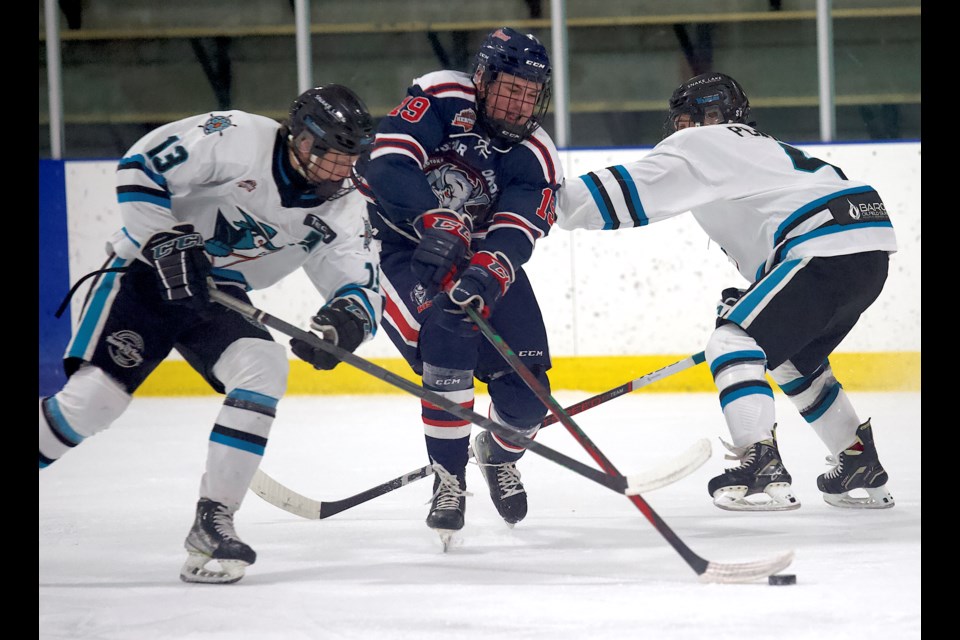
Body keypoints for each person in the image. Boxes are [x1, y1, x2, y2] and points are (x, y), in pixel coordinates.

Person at [38, 84, 384, 583]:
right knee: (92, 404)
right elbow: (142, 166)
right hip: (146, 270)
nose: (337, 167)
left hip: (217, 291)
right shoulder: (238, 137)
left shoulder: (345, 206)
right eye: (327, 151)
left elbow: (361, 283)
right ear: (299, 138)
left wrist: (343, 323)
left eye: (347, 156)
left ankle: (213, 519)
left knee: (263, 366)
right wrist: (165, 238)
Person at [557, 72, 897, 512]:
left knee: (733, 341)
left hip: (822, 245)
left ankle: (761, 464)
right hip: (867, 247)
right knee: (794, 357)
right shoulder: (766, 150)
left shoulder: (704, 145)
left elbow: (617, 197)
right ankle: (857, 460)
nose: (680, 131)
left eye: (687, 120)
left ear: (713, 118)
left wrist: (546, 198)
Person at [354, 26, 562, 546]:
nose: (518, 105)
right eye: (510, 88)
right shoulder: (444, 98)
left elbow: (515, 228)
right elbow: (389, 161)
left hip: (475, 256)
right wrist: (434, 220)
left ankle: (498, 454)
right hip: (399, 246)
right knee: (446, 332)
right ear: (483, 78)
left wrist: (489, 270)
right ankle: (449, 477)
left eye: (530, 94)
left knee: (530, 395)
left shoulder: (535, 153)